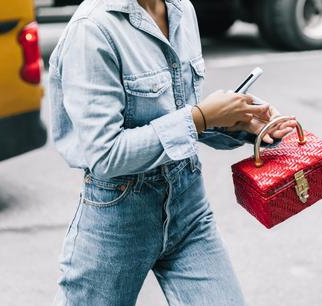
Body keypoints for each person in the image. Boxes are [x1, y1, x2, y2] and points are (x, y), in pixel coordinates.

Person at [48, 0, 297, 304]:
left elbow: (177, 114)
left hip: (189, 206)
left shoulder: (181, 9)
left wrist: (240, 123)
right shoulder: (92, 29)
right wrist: (201, 117)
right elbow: (105, 154)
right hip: (118, 218)